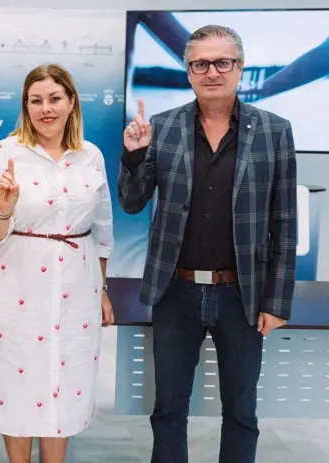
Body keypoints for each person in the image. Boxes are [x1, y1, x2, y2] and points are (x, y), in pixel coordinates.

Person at [118, 25, 296, 463]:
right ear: (188, 71)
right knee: (169, 409)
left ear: (239, 68)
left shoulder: (274, 131)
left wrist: (276, 301)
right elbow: (131, 201)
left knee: (240, 411)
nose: (212, 72)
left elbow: (284, 222)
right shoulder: (162, 128)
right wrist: (135, 155)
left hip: (243, 295)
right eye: (201, 64)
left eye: (223, 62)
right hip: (175, 292)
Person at [0, 63, 115, 463]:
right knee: (17, 384)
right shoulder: (4, 153)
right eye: (36, 101)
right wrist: (3, 210)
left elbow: (102, 233)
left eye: (54, 99)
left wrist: (102, 291)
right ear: (26, 106)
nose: (45, 108)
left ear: (71, 102)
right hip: (15, 288)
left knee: (65, 384)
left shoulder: (91, 156)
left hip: (77, 289)